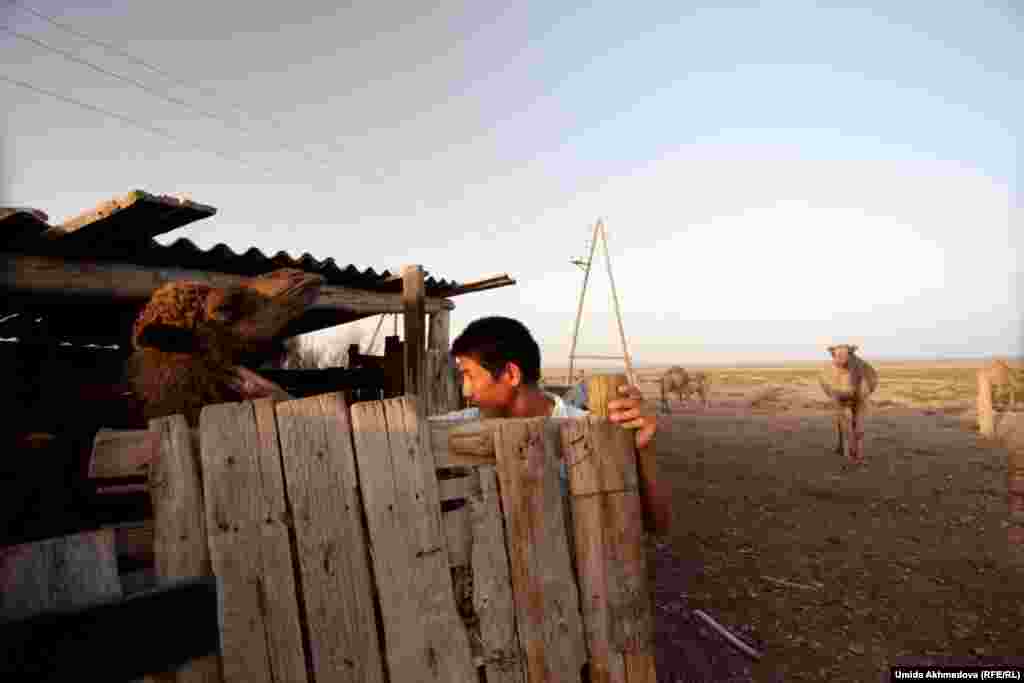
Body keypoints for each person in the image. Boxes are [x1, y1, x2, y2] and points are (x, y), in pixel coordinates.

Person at [432, 316, 670, 532]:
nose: (465, 390)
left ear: (511, 374)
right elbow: (408, 432)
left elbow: (656, 524)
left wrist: (644, 449)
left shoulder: (592, 430)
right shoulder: (459, 427)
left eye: (469, 375)